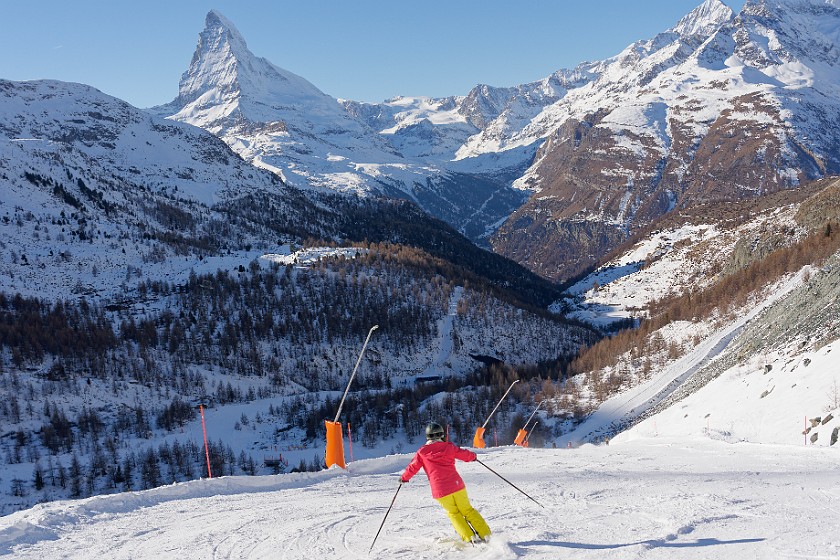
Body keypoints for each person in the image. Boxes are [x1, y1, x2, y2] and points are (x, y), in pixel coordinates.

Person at [400, 422, 491, 544]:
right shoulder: (448, 447)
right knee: (468, 510)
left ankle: (469, 537)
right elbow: (463, 454)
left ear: (428, 436)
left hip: (440, 491)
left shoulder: (422, 452)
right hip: (457, 485)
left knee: (454, 513)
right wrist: (473, 456)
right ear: (442, 435)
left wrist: (404, 478)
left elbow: (412, 467)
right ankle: (485, 534)